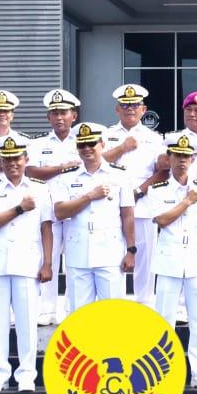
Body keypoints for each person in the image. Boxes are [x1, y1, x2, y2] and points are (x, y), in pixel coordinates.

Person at [0, 135, 54, 392]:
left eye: (17, 158)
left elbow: (46, 228)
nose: (12, 163)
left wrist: (47, 263)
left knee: (27, 323)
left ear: (26, 159)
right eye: (7, 159)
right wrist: (19, 208)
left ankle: (26, 375)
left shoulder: (40, 189)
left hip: (27, 263)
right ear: (0, 162)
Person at [147, 131, 197, 389]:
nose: (181, 160)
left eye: (186, 156)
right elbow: (162, 220)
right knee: (164, 321)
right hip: (169, 260)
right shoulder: (158, 189)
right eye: (177, 155)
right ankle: (164, 375)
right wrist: (187, 201)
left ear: (192, 159)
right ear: (168, 158)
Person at [50, 122, 135, 308]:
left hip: (110, 253)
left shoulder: (119, 175)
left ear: (102, 144)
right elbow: (60, 212)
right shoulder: (67, 177)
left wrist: (131, 250)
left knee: (112, 311)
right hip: (78, 253)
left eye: (91, 143)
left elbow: (128, 215)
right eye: (82, 144)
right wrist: (89, 196)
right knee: (79, 313)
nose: (86, 148)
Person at [102, 84, 167, 306]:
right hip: (110, 206)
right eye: (125, 105)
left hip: (143, 203)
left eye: (135, 104)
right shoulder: (107, 135)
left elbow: (162, 171)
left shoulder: (154, 138)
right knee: (114, 257)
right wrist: (122, 148)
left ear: (143, 109)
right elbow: (97, 163)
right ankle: (117, 304)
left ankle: (144, 303)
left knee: (145, 257)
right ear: (117, 109)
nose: (130, 108)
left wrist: (139, 191)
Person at [27, 88, 83, 324]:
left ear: (74, 116)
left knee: (75, 261)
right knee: (46, 259)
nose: (59, 117)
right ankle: (47, 309)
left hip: (74, 210)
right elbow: (31, 171)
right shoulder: (38, 143)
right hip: (47, 210)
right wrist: (63, 167)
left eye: (64, 113)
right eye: (55, 113)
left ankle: (72, 309)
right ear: (48, 117)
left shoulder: (83, 142)